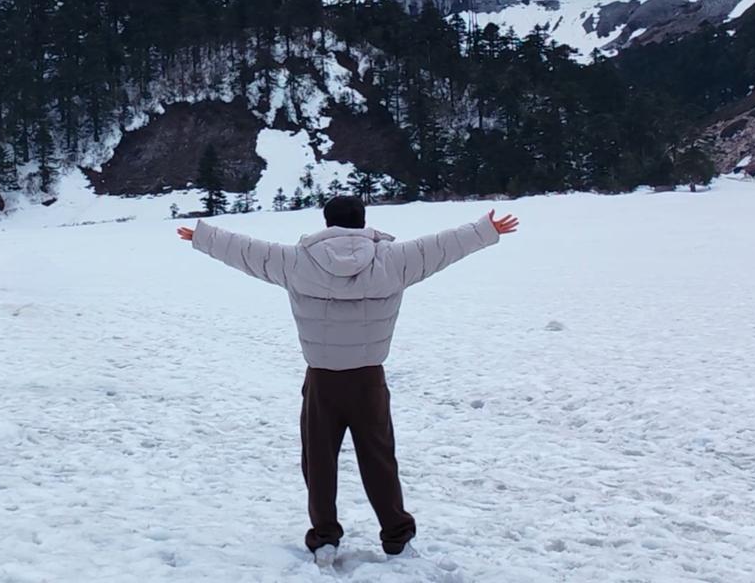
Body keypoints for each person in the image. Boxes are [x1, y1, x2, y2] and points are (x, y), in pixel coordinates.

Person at [178, 195, 519, 564]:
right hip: (369, 380)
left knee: (319, 460)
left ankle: (325, 538)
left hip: (323, 379)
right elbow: (439, 247)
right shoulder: (394, 259)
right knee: (379, 459)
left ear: (327, 222)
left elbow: (249, 251)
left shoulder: (298, 260)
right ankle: (397, 540)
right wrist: (484, 230)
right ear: (362, 220)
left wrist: (203, 236)